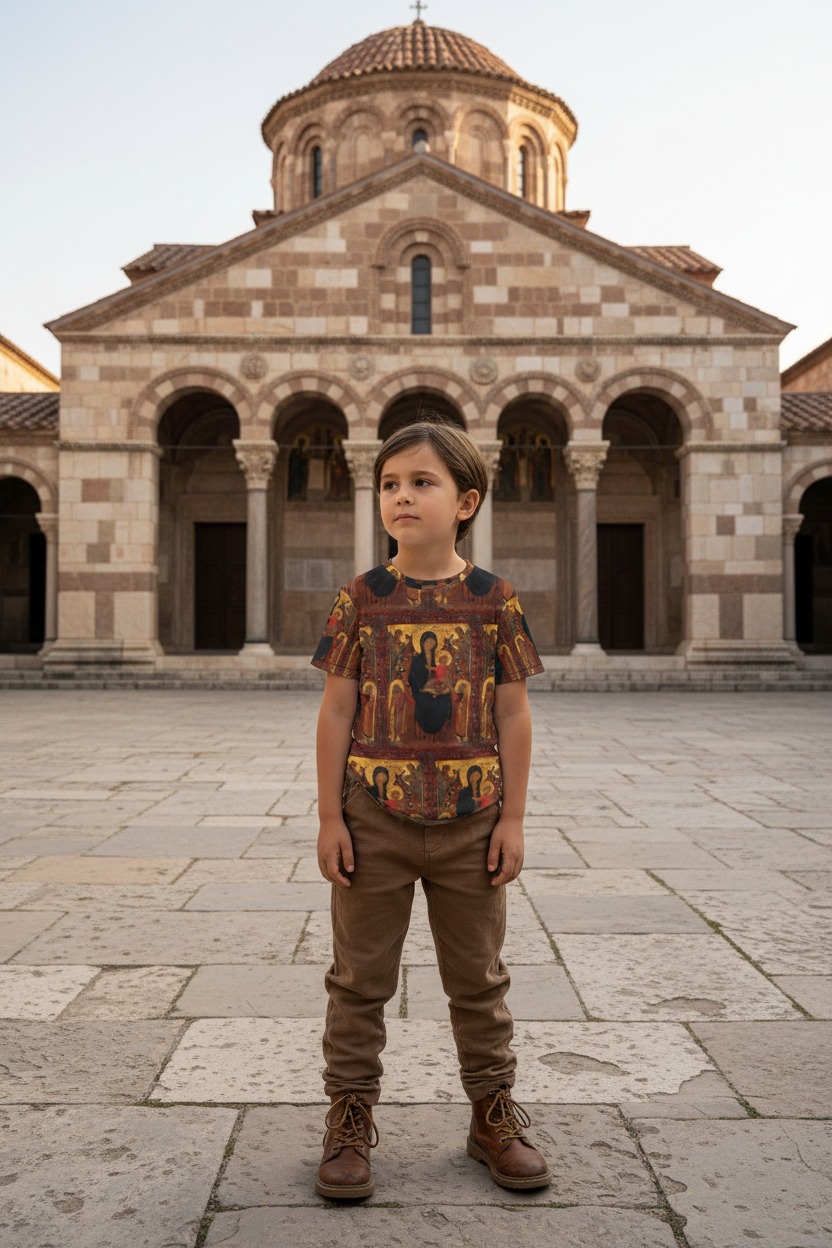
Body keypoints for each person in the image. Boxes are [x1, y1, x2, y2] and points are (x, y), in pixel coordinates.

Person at [310, 418, 551, 1200]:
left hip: (472, 821)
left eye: (422, 482)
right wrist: (329, 816)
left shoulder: (494, 601)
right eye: (389, 484)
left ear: (467, 500)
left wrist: (512, 818)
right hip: (372, 818)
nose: (402, 497)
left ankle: (491, 1117)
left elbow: (513, 715)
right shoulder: (360, 598)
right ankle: (349, 1120)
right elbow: (335, 711)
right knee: (357, 982)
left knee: (478, 980)